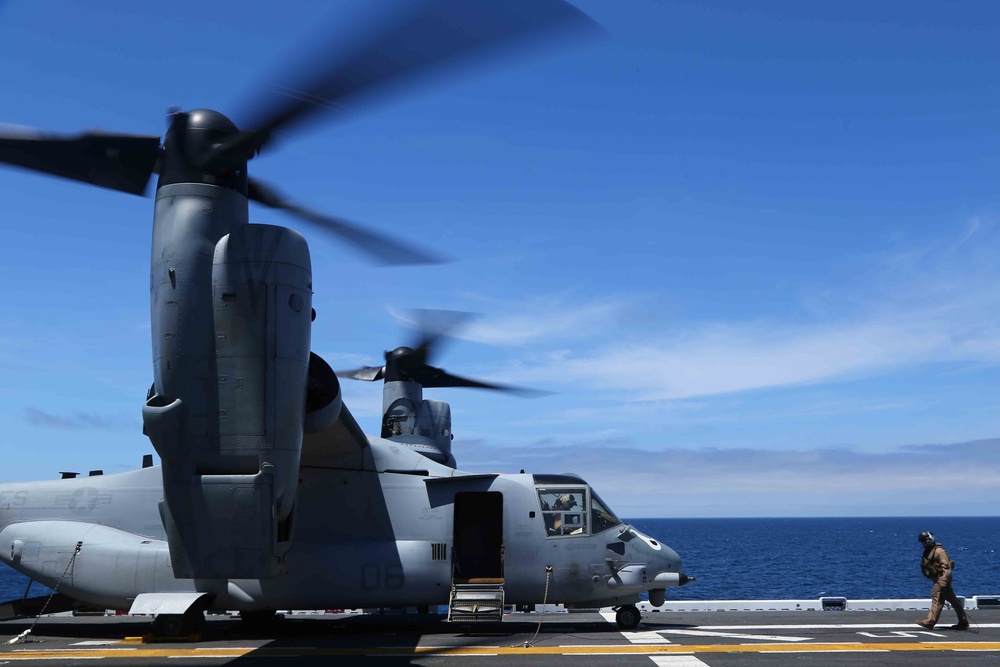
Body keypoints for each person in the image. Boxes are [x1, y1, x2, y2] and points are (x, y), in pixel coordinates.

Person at [915, 531, 969, 630]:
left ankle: (930, 621)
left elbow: (946, 569)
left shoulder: (939, 552)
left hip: (942, 579)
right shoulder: (930, 551)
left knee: (937, 599)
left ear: (929, 540)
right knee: (954, 601)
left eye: (923, 541)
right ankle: (963, 621)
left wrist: (943, 583)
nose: (922, 544)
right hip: (940, 579)